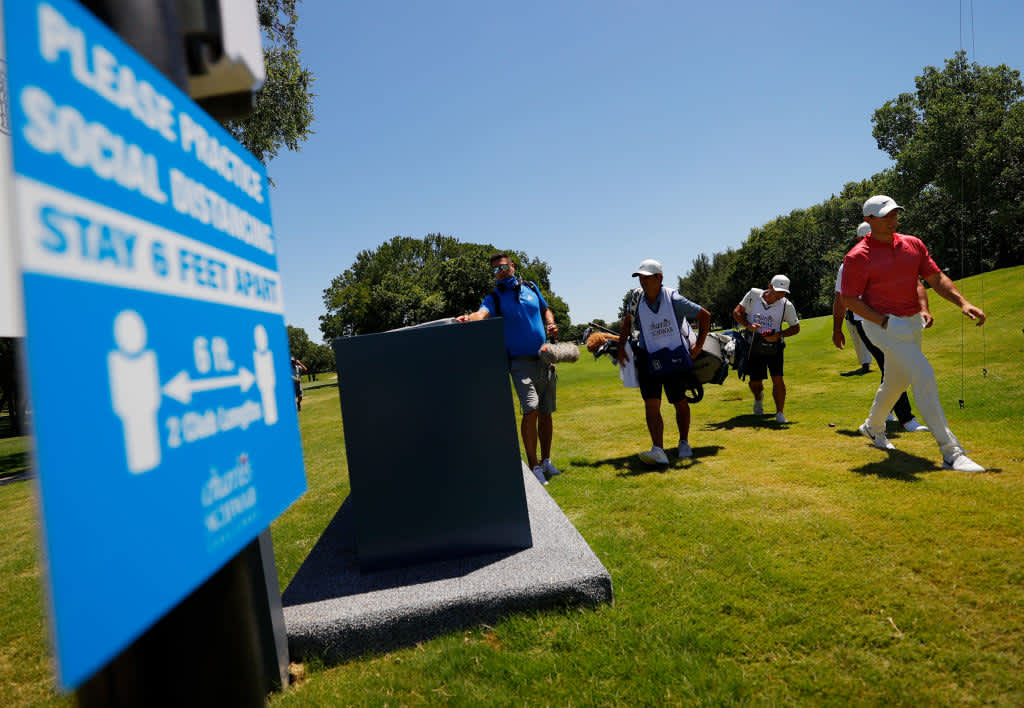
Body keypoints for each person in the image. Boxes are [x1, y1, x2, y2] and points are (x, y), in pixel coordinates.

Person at [841, 195, 986, 472]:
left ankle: (873, 426)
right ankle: (951, 451)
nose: (893, 219)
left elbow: (935, 278)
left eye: (895, 213)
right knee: (923, 375)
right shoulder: (857, 257)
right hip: (881, 325)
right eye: (886, 216)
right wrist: (884, 322)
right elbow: (849, 299)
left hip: (910, 322)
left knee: (896, 382)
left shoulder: (912, 244)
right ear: (868, 221)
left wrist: (963, 302)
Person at [457, 253, 562, 485]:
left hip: (545, 357)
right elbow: (481, 314)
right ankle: (534, 465)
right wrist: (469, 318)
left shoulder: (532, 287)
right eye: (495, 270)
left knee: (546, 413)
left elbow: (546, 310)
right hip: (519, 363)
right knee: (531, 409)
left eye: (503, 268)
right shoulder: (494, 298)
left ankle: (546, 461)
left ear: (512, 267)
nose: (500, 273)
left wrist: (551, 323)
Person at [833, 221, 929, 433]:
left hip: (896, 319)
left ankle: (885, 412)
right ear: (861, 239)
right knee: (895, 365)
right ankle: (906, 419)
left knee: (893, 367)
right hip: (866, 323)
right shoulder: (850, 263)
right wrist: (837, 329)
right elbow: (841, 299)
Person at [616, 259, 710, 465]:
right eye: (640, 278)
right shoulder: (636, 299)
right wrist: (622, 347)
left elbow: (704, 315)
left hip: (673, 357)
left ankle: (684, 442)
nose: (643, 282)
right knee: (651, 404)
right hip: (648, 356)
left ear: (659, 278)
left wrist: (699, 345)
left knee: (680, 402)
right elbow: (627, 323)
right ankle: (658, 449)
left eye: (647, 278)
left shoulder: (673, 298)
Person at [732, 275, 801, 423]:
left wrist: (779, 335)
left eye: (783, 293)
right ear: (770, 287)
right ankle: (758, 399)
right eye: (778, 292)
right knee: (755, 381)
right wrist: (749, 326)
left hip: (774, 346)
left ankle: (780, 413)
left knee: (778, 379)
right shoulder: (753, 295)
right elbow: (737, 312)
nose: (780, 295)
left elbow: (796, 328)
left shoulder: (786, 305)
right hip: (752, 345)